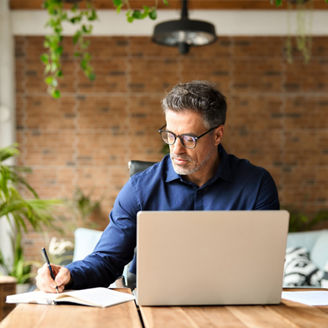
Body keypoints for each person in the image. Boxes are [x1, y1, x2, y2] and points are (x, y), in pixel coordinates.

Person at [36, 80, 279, 292]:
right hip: (155, 310)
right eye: (170, 135)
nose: (176, 149)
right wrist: (69, 275)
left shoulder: (256, 185)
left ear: (218, 135)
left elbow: (263, 264)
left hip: (235, 303)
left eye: (189, 139)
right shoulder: (140, 189)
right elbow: (107, 260)